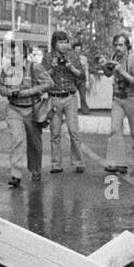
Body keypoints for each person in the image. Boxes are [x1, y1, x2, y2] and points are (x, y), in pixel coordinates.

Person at [0, 43, 52, 188]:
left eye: (14, 53)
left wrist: (28, 92)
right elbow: (1, 88)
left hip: (32, 110)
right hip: (14, 109)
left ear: (23, 54)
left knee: (34, 144)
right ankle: (15, 175)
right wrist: (10, 92)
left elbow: (49, 83)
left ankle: (35, 170)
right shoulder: (6, 69)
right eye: (10, 53)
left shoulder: (34, 68)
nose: (11, 56)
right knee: (17, 140)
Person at [45, 30, 86, 174]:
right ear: (54, 44)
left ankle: (79, 162)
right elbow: (41, 77)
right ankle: (56, 164)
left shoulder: (73, 56)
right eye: (60, 42)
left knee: (74, 130)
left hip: (70, 97)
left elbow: (82, 76)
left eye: (65, 42)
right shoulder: (48, 57)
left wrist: (71, 68)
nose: (63, 45)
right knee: (55, 132)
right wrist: (52, 68)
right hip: (54, 97)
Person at [103, 34, 134, 174]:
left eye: (120, 45)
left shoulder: (133, 60)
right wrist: (106, 67)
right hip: (117, 99)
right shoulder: (114, 58)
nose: (117, 48)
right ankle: (117, 163)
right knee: (115, 129)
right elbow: (108, 74)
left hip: (131, 98)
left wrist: (122, 72)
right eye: (116, 45)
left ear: (127, 46)